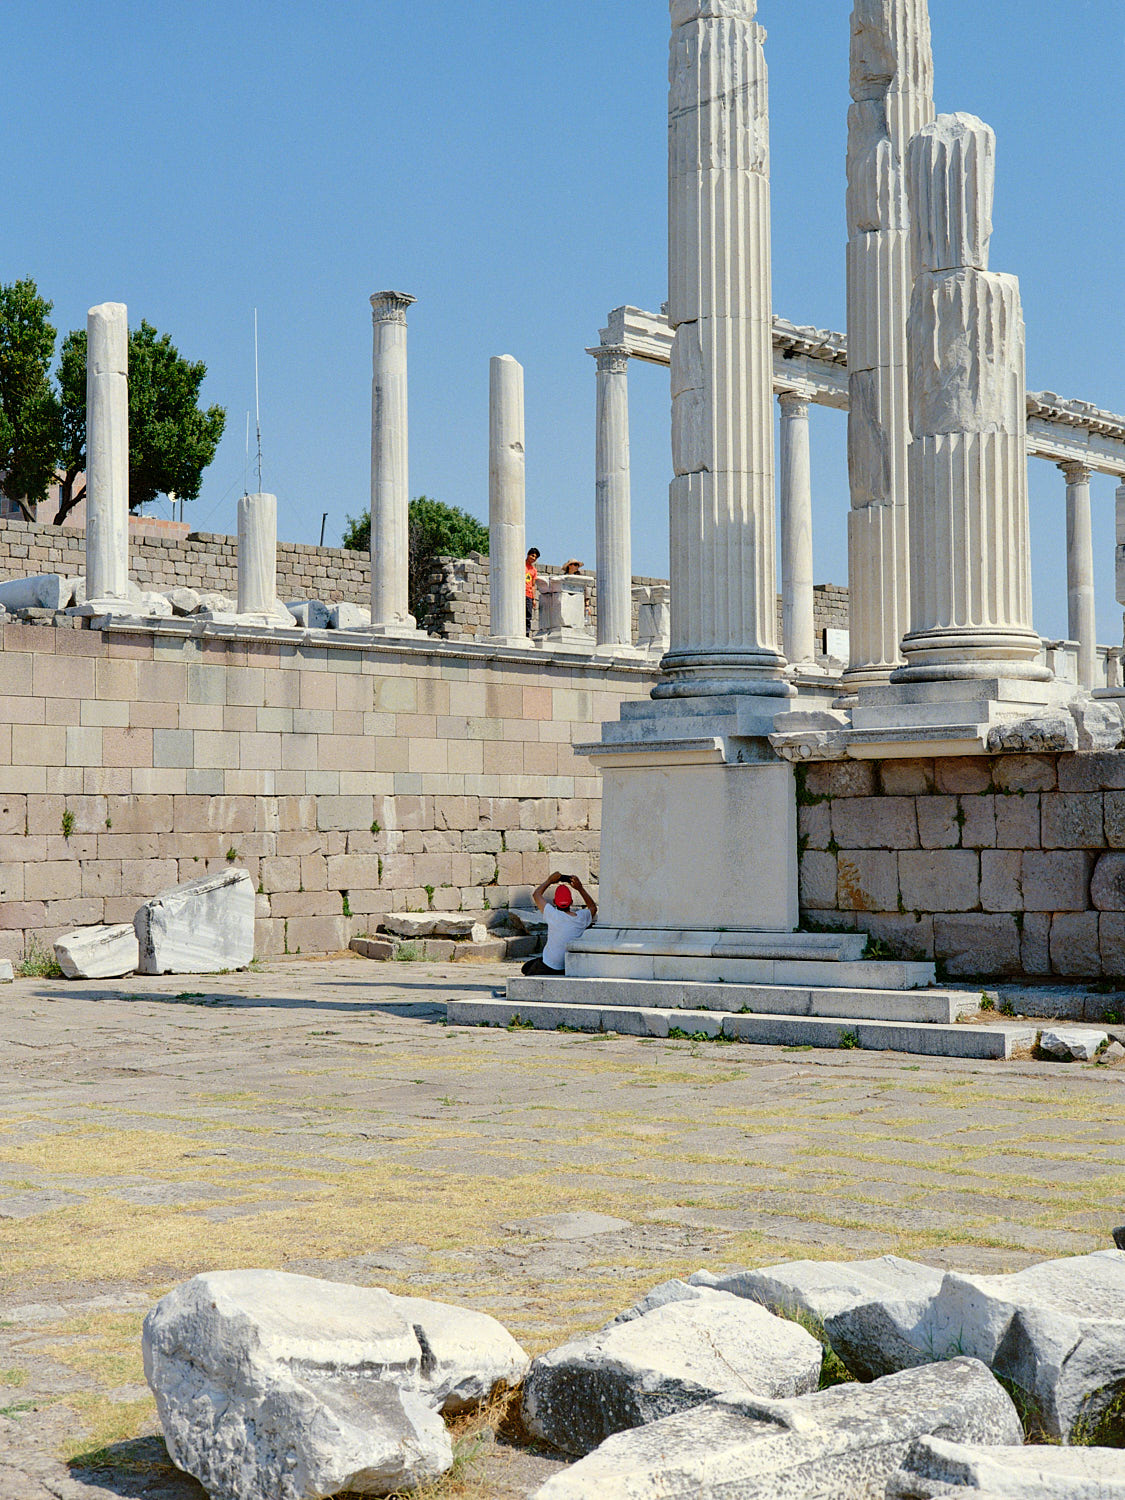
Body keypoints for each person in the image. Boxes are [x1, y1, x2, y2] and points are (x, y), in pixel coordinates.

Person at [521, 870, 597, 976]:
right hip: (568, 965)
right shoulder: (581, 917)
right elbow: (593, 907)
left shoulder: (552, 914)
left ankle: (509, 993)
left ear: (554, 902)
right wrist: (580, 888)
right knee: (528, 966)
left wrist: (549, 881)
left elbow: (536, 894)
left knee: (527, 970)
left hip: (551, 964)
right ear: (571, 902)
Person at [525, 548, 540, 635]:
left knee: (528, 616)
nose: (534, 558)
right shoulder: (521, 565)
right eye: (532, 556)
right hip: (520, 593)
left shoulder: (533, 570)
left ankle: (526, 634)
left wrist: (534, 599)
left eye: (536, 557)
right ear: (528, 554)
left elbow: (533, 585)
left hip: (529, 595)